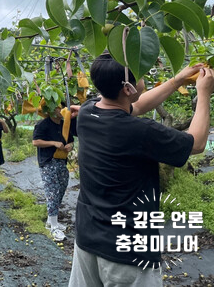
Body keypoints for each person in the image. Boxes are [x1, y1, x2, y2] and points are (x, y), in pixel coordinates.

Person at [68, 52, 213, 287]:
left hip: (87, 239)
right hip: (128, 252)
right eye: (141, 71)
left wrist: (177, 80)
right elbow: (196, 143)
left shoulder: (88, 111)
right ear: (127, 88)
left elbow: (135, 106)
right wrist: (204, 94)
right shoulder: (141, 131)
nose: (145, 75)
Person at [32, 104, 77, 241]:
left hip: (61, 161)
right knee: (52, 192)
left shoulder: (65, 124)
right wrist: (53, 143)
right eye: (58, 108)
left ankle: (51, 221)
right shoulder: (43, 124)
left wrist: (70, 146)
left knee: (62, 187)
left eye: (63, 107)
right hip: (48, 161)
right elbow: (35, 142)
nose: (62, 110)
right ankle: (54, 228)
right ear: (50, 110)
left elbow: (71, 140)